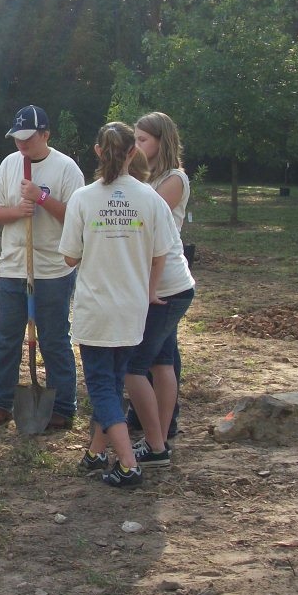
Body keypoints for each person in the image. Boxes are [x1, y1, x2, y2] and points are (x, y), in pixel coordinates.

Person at [60, 122, 178, 488]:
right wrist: (148, 289)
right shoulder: (150, 198)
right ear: (133, 153)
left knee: (101, 385)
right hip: (132, 308)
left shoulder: (83, 198)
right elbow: (161, 255)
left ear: (97, 152)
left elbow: (69, 257)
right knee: (113, 380)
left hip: (97, 308)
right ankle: (96, 453)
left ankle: (127, 463)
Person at [0, 105, 85, 430]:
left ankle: (63, 407)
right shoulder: (10, 164)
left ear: (45, 134)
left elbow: (76, 217)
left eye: (28, 139)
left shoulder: (66, 169)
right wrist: (17, 211)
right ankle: (0, 403)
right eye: (17, 139)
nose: (21, 145)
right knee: (6, 337)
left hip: (53, 269)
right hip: (13, 266)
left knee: (54, 339)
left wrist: (41, 198)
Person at [128, 111, 191, 440]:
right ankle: (156, 421)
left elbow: (145, 218)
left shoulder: (174, 180)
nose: (136, 146)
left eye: (142, 140)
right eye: (134, 139)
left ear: (161, 141)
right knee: (163, 355)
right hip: (147, 276)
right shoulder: (144, 176)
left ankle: (160, 426)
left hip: (164, 277)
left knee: (142, 360)